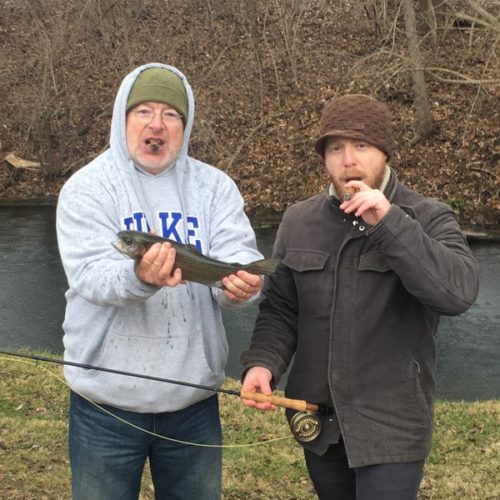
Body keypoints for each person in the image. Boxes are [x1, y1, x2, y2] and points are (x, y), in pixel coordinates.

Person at [240, 94, 480, 499]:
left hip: (393, 429)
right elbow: (280, 310)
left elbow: (457, 294)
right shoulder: (299, 220)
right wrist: (263, 364)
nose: (348, 159)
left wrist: (389, 223)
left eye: (361, 146)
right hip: (319, 424)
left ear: (384, 152)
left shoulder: (428, 215)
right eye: (335, 148)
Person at [56, 63, 265, 500]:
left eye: (171, 114)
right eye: (144, 111)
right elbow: (90, 275)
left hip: (193, 405)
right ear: (123, 119)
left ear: (184, 127)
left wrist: (241, 286)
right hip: (104, 407)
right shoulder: (87, 188)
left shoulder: (215, 188)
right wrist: (139, 275)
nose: (157, 124)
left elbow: (238, 256)